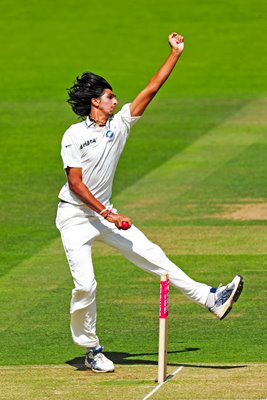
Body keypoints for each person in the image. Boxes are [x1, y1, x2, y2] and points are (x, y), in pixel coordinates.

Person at [56, 32, 244, 373]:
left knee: (155, 257)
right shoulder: (74, 135)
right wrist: (108, 214)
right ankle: (91, 349)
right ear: (95, 102)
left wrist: (175, 53)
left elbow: (152, 89)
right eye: (110, 97)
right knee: (85, 284)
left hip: (106, 215)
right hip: (74, 217)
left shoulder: (121, 124)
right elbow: (75, 183)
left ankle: (211, 299)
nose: (116, 101)